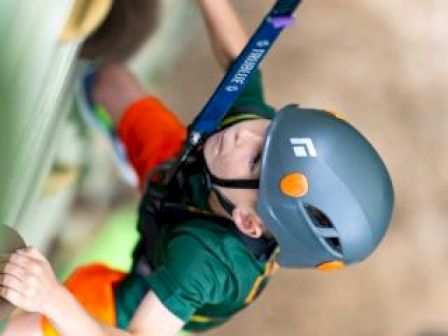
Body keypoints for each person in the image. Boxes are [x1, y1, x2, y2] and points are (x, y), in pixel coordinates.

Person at [0, 1, 394, 335]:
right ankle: (135, 165)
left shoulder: (203, 263)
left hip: (147, 280)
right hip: (182, 173)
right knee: (109, 81)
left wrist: (52, 296)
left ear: (249, 223)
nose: (244, 135)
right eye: (270, 129)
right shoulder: (245, 137)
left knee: (23, 327)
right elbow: (241, 61)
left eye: (257, 160)